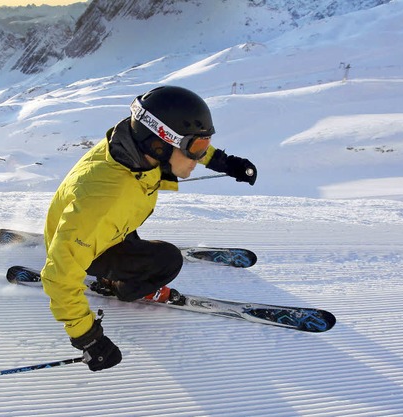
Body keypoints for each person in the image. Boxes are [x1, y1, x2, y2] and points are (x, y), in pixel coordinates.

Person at [40, 85, 257, 372]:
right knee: (167, 260)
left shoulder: (134, 147)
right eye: (196, 149)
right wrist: (88, 339)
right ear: (159, 143)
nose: (199, 157)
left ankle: (113, 258)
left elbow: (180, 144)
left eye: (203, 147)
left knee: (130, 229)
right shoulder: (107, 198)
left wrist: (225, 163)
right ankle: (120, 285)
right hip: (90, 240)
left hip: (98, 226)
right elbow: (58, 278)